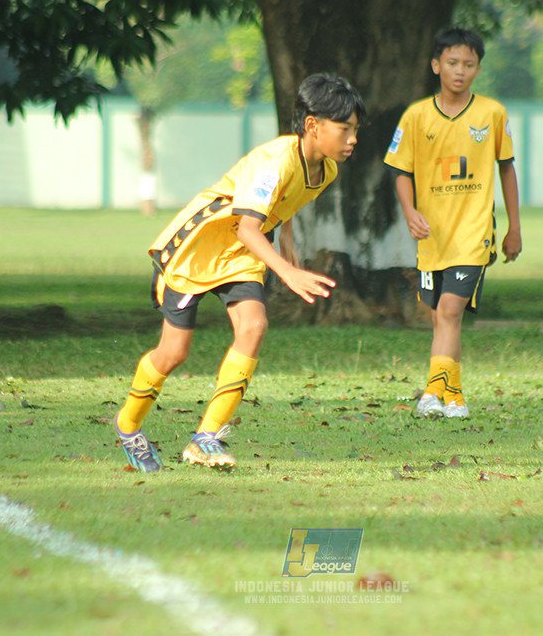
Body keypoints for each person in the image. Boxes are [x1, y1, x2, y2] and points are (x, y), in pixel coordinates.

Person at [114, 72, 366, 472]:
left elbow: (277, 212)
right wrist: (287, 272)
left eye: (356, 129)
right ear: (313, 125)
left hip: (243, 253)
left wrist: (288, 251)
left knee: (253, 327)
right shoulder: (274, 163)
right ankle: (128, 425)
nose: (353, 138)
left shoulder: (326, 170)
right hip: (197, 249)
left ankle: (205, 438)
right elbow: (249, 225)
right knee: (174, 353)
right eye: (345, 129)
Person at [384, 26, 522, 419]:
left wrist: (514, 227)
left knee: (448, 312)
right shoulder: (416, 116)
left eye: (468, 64)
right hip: (432, 237)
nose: (460, 71)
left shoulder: (492, 114)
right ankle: (454, 397)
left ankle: (432, 394)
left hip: (474, 234)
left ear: (478, 69)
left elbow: (507, 170)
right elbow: (400, 170)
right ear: (436, 65)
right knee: (442, 318)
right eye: (452, 63)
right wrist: (410, 212)